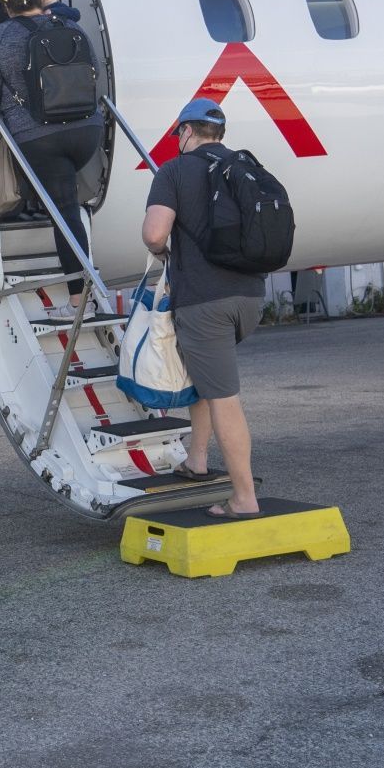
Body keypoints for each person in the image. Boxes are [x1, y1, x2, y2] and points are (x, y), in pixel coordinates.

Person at [141, 98, 266, 517]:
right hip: (249, 296)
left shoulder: (175, 171)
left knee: (224, 396)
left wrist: (163, 250)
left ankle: (244, 499)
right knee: (207, 375)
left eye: (179, 133)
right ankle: (196, 459)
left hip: (205, 302)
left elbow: (154, 234)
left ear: (187, 132)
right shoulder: (241, 164)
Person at [0, 0, 107, 317]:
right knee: (66, 203)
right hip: (86, 132)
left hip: (39, 139)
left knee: (64, 212)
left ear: (6, 7)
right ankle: (43, 206)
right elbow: (93, 70)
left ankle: (81, 302)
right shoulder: (69, 26)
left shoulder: (0, 37)